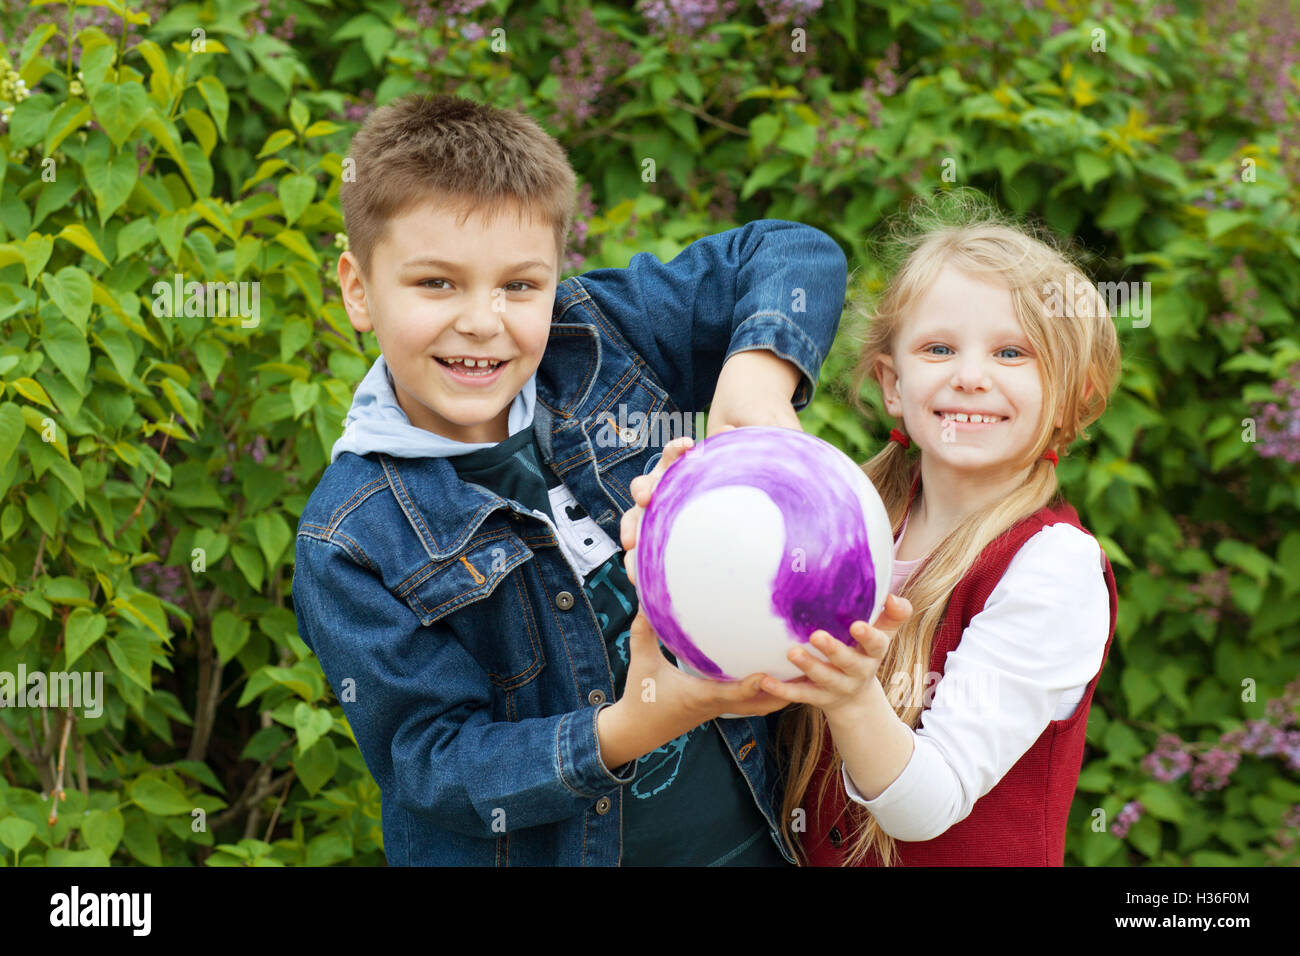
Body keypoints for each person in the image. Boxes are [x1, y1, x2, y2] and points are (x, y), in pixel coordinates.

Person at [290, 93, 848, 865]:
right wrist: (639, 722)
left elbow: (792, 252)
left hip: (758, 836)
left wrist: (755, 382)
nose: (483, 320)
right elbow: (436, 765)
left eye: (520, 286)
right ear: (358, 289)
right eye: (436, 284)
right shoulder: (352, 536)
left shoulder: (599, 335)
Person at [623, 194, 1122, 866]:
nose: (970, 377)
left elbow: (930, 806)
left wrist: (853, 696)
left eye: (1012, 353)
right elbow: (744, 686)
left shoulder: (1053, 569)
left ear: (1074, 395)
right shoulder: (841, 514)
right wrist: (682, 555)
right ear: (892, 383)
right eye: (938, 347)